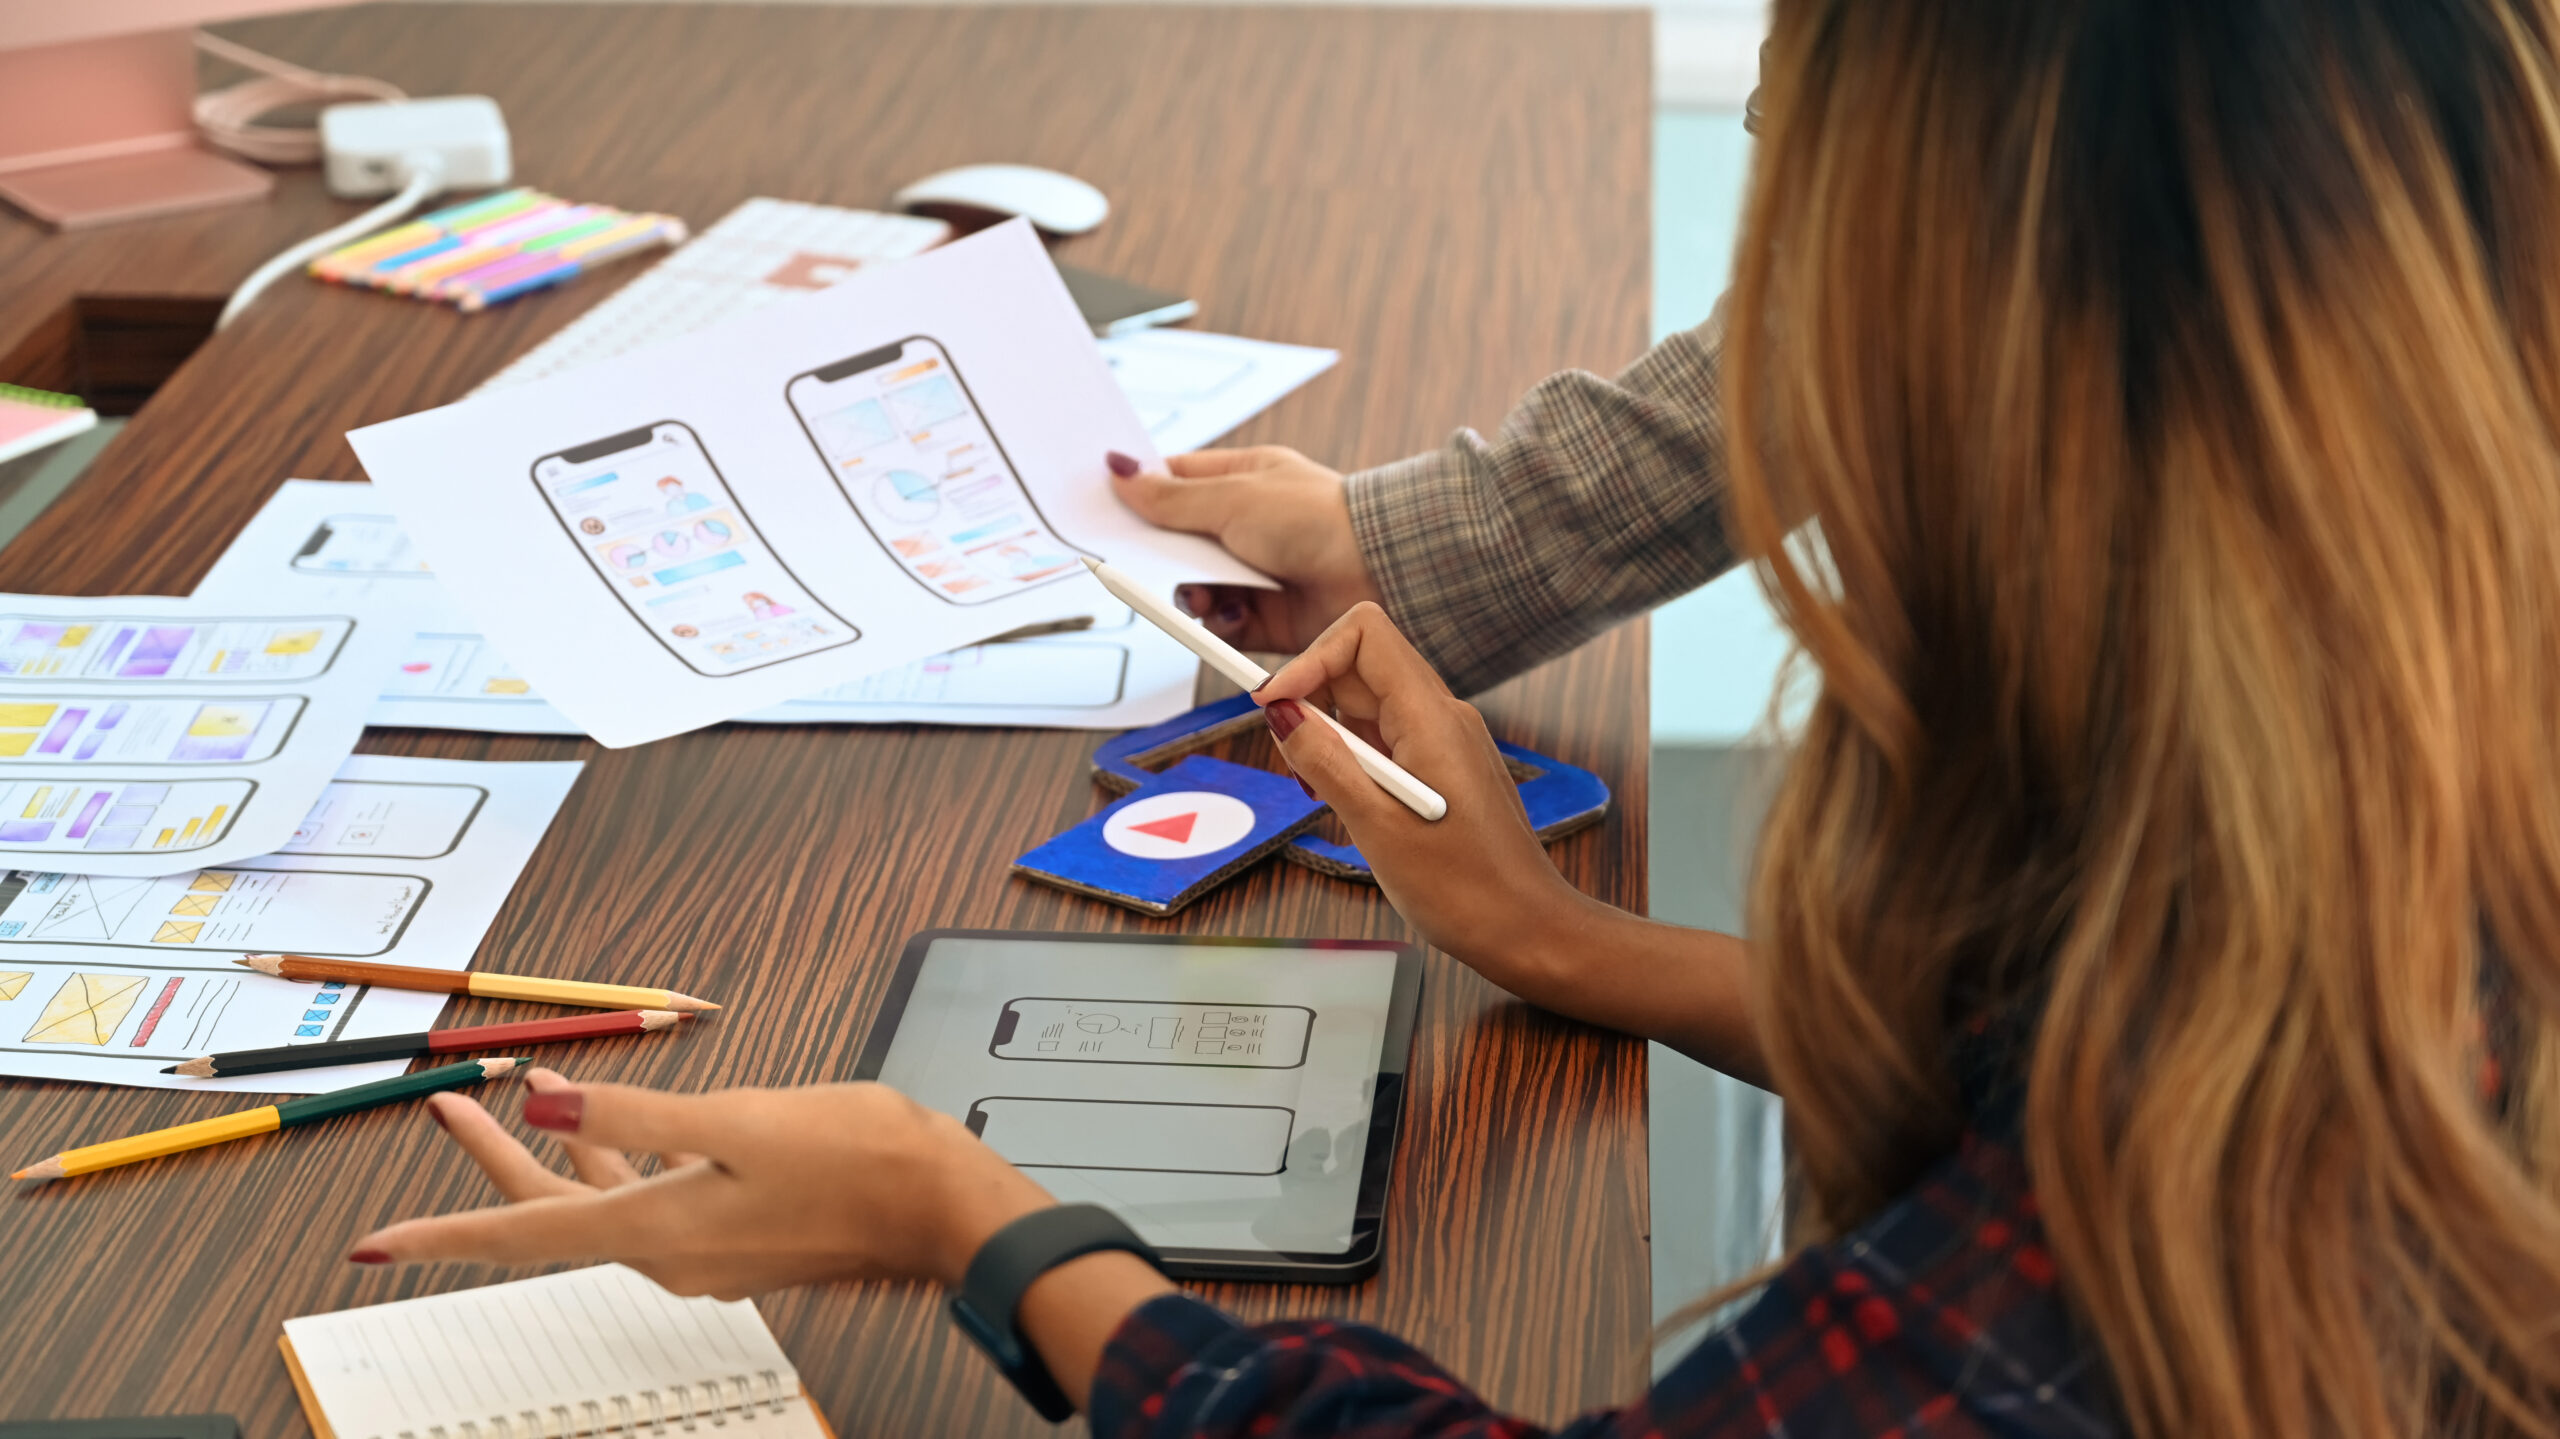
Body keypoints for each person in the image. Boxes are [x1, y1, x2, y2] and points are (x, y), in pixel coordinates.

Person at [348, 2, 2560, 1434]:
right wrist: (1565, 945)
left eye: (1799, 205)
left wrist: (978, 1228)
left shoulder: (2253, 1160)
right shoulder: (2382, 739)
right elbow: (2089, 1063)